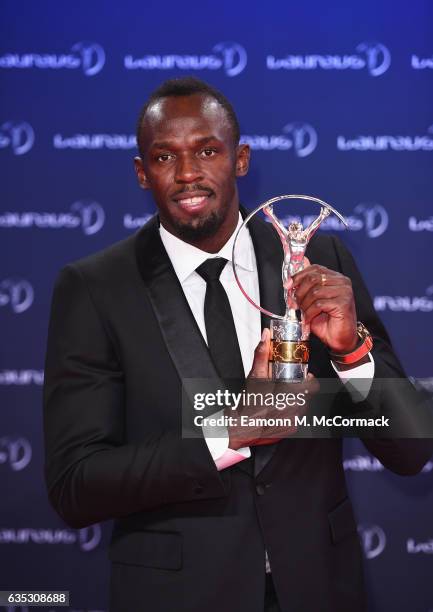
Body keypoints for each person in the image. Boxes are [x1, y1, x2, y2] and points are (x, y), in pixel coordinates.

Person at [43, 77, 432, 612]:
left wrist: (351, 353)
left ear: (241, 158)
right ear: (141, 173)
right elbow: (75, 485)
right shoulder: (96, 289)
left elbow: (412, 449)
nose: (187, 174)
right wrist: (231, 431)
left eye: (207, 150)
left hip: (320, 590)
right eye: (164, 157)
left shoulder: (321, 260)